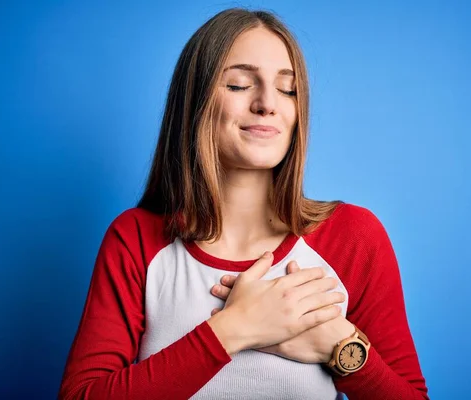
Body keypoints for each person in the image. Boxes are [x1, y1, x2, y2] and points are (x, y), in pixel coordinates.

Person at [58, 7, 429, 400]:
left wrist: (341, 348)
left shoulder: (353, 238)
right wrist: (235, 329)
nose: (267, 103)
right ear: (195, 102)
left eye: (288, 89)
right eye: (238, 85)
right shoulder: (136, 238)